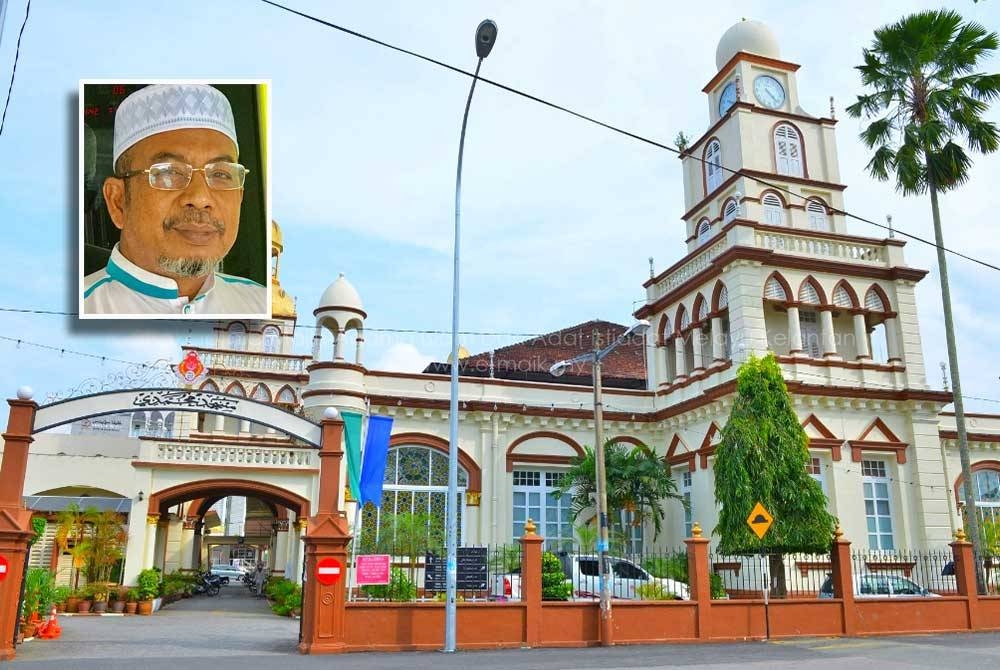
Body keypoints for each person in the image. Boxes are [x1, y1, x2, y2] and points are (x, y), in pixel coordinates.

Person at [82, 83, 267, 316]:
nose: (200, 198)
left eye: (220, 174)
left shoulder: (260, 304)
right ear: (118, 201)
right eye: (169, 173)